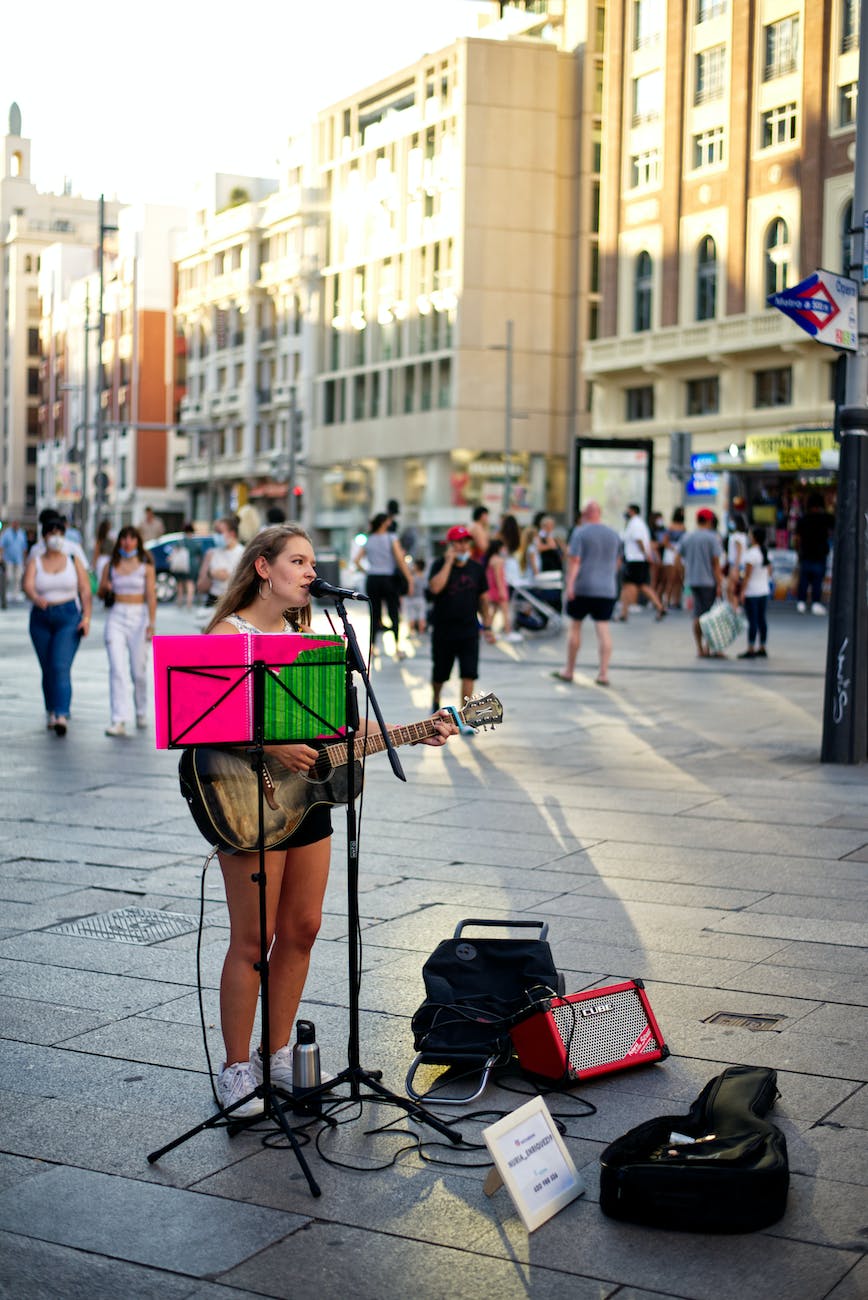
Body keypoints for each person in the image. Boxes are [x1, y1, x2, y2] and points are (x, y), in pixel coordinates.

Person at [194, 524, 456, 1116]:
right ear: (263, 567)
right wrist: (268, 747)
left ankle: (276, 1053)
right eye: (299, 561)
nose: (312, 572)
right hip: (245, 799)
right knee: (253, 939)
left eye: (313, 563)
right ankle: (237, 1069)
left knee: (305, 927)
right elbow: (201, 725)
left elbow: (337, 735)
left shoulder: (309, 635)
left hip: (305, 802)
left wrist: (413, 731)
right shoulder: (226, 634)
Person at [22, 515, 92, 736]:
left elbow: (85, 589)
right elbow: (27, 583)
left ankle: (62, 713)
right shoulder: (36, 558)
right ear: (44, 537)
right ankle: (51, 709)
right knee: (47, 667)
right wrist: (35, 597)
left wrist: (86, 617)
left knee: (60, 665)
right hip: (41, 617)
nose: (56, 538)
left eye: (59, 533)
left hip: (68, 616)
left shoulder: (72, 557)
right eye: (51, 533)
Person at [427, 525, 495, 722]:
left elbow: (483, 599)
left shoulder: (476, 568)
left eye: (466, 541)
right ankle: (435, 699)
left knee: (469, 674)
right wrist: (448, 562)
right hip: (443, 631)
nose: (463, 546)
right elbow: (435, 588)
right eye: (458, 542)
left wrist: (488, 625)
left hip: (469, 630)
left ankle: (465, 716)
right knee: (440, 674)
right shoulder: (439, 565)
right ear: (450, 545)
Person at [553, 501, 621, 686]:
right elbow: (617, 562)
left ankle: (569, 670)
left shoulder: (580, 532)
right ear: (599, 513)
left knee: (575, 627)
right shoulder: (613, 534)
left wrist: (570, 585)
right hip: (606, 588)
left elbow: (575, 561)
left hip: (583, 587)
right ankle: (603, 674)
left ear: (584, 514)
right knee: (603, 629)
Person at [99, 526, 157, 736]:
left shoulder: (146, 566)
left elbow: (151, 595)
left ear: (137, 541)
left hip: (139, 617)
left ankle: (141, 710)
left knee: (138, 672)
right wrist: (105, 586)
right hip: (116, 616)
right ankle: (118, 719)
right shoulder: (111, 564)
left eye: (132, 538)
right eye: (124, 538)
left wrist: (152, 623)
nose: (128, 542)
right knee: (116, 669)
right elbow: (100, 592)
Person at [357, 511, 414, 660]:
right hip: (388, 579)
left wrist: (368, 571)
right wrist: (409, 579)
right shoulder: (391, 538)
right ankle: (396, 648)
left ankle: (372, 648)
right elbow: (400, 560)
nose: (390, 523)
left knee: (374, 614)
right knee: (393, 613)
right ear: (383, 523)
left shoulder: (369, 539)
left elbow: (357, 560)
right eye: (388, 521)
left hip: (373, 579)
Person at [676, 507, 724, 658]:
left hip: (692, 580)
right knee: (710, 616)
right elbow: (715, 563)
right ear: (709, 521)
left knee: (697, 614)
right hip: (708, 581)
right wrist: (720, 583)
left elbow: (676, 559)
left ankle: (699, 648)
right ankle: (709, 647)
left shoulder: (687, 537)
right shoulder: (712, 538)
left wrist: (682, 575)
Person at [618, 504, 666, 621]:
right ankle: (624, 613)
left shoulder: (636, 524)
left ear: (632, 511)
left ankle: (624, 613)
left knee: (634, 585)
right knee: (637, 585)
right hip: (636, 559)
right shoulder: (636, 523)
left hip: (635, 559)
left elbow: (639, 540)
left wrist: (646, 555)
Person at [795, 493, 833, 615]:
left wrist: (799, 550)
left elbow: (797, 538)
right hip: (820, 554)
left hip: (806, 553)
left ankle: (801, 602)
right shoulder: (825, 518)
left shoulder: (803, 519)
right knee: (817, 581)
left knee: (804, 580)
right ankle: (816, 603)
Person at [738, 525, 771, 660]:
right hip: (763, 590)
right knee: (762, 619)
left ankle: (751, 647)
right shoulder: (765, 552)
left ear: (754, 537)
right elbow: (770, 571)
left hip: (752, 592)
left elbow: (747, 576)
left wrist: (742, 592)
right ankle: (762, 646)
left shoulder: (751, 554)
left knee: (753, 621)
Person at [197, 515, 245, 606]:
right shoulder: (211, 553)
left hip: (234, 602)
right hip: (213, 601)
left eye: (219, 532)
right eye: (215, 532)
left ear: (232, 534)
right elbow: (200, 587)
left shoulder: (244, 553)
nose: (216, 536)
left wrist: (230, 578)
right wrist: (211, 574)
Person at [660, 507, 686, 610]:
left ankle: (676, 600)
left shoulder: (683, 527)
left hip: (680, 553)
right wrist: (673, 548)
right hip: (671, 553)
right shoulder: (670, 527)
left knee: (679, 579)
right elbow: (665, 541)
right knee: (670, 578)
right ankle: (667, 600)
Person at [170, 523, 196, 609]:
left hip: (181, 565)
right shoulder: (195, 542)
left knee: (180, 583)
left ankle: (180, 602)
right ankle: (189, 603)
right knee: (190, 583)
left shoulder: (181, 542)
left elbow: (174, 552)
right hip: (192, 565)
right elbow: (199, 554)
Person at [0, 519, 28, 600]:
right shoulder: (6, 533)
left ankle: (16, 594)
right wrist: (0, 556)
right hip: (8, 559)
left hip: (19, 559)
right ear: (12, 524)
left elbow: (24, 548)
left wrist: (25, 559)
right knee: (9, 577)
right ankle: (8, 592)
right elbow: (1, 546)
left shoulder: (22, 533)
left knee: (18, 577)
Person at [402, 557, 429, 636]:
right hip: (422, 599)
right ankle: (421, 632)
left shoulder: (412, 577)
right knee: (422, 616)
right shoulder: (425, 576)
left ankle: (411, 633)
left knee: (411, 616)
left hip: (412, 599)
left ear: (417, 566)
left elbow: (410, 590)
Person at [726, 512, 749, 607]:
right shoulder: (743, 535)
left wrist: (735, 567)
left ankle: (734, 608)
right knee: (734, 588)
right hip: (740, 564)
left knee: (731, 588)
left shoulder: (736, 536)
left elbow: (738, 552)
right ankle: (734, 607)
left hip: (736, 565)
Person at [92, 519, 115, 585]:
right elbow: (96, 553)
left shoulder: (106, 539)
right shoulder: (103, 539)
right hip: (104, 560)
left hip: (104, 560)